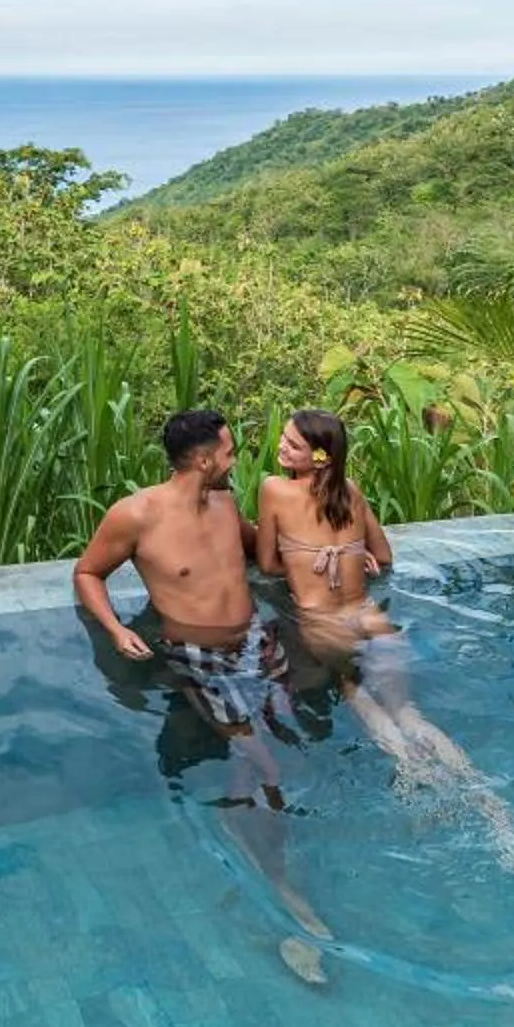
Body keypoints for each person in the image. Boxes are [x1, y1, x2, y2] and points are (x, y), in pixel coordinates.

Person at [75, 409, 331, 982]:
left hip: (256, 645)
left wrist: (335, 552)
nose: (236, 459)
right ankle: (285, 897)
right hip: (198, 659)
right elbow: (87, 572)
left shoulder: (224, 504)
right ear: (203, 458)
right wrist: (116, 630)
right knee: (267, 765)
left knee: (277, 748)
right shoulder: (135, 514)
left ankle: (240, 834)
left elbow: (267, 551)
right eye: (229, 451)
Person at [255, 407, 514, 875]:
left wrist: (302, 562)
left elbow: (266, 564)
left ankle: (412, 771)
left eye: (292, 444)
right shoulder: (351, 491)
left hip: (326, 625)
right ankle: (493, 807)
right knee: (409, 713)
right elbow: (383, 556)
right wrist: (352, 556)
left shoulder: (273, 490)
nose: (281, 447)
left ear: (320, 457)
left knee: (354, 693)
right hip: (373, 622)